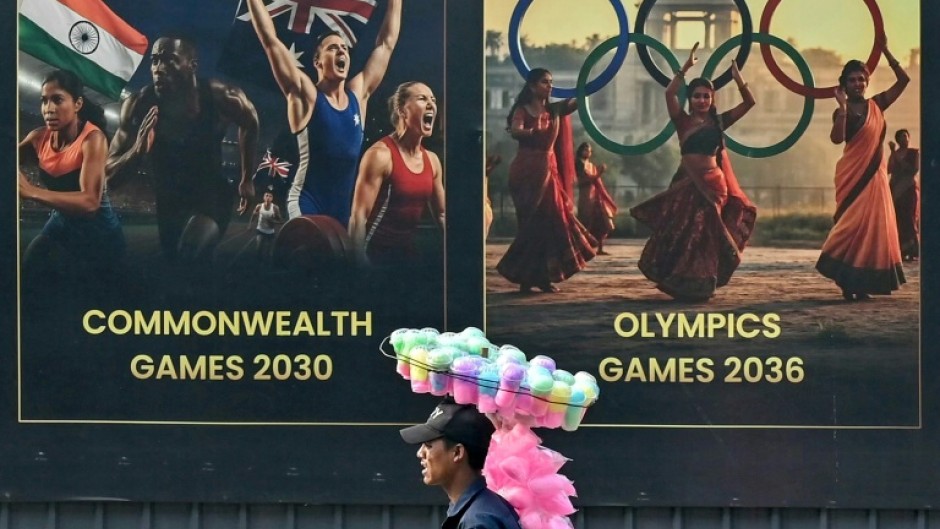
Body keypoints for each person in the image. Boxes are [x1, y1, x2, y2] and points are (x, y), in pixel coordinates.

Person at [246, 0, 402, 226]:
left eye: (344, 49)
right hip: (307, 203)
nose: (341, 51)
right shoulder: (306, 94)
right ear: (317, 62)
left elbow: (386, 44)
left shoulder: (358, 96)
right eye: (332, 48)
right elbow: (270, 41)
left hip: (343, 209)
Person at [106, 35, 259, 264]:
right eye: (155, 60)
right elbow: (109, 178)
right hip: (169, 201)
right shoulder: (138, 105)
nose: (159, 69)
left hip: (210, 194)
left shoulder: (222, 97)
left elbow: (251, 122)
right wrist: (136, 152)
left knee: (189, 251)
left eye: (169, 60)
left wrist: (246, 178)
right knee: (176, 265)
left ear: (193, 65)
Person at [630, 43, 756, 301]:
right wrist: (684, 69)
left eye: (706, 96)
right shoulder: (682, 120)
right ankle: (681, 280)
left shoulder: (719, 122)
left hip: (713, 185)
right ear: (690, 99)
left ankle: (704, 283)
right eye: (697, 96)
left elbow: (750, 102)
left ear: (712, 99)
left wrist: (738, 78)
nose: (701, 100)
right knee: (685, 232)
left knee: (705, 232)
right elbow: (669, 94)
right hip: (686, 181)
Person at [816, 42, 910, 300]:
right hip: (853, 175)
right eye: (852, 80)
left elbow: (904, 80)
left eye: (861, 79)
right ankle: (846, 280)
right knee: (851, 226)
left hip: (876, 177)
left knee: (874, 228)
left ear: (867, 81)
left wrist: (888, 53)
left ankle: (861, 282)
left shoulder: (877, 105)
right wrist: (844, 108)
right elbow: (837, 139)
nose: (858, 83)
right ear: (844, 85)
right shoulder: (841, 111)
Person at [19, 69, 125, 283]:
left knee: (87, 293)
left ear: (77, 104)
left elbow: (90, 203)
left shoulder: (92, 139)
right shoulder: (38, 138)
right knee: (30, 266)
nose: (48, 109)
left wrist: (31, 192)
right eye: (44, 101)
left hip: (101, 234)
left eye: (57, 100)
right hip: (62, 222)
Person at [496, 68, 596, 293]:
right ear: (532, 86)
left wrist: (590, 80)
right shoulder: (522, 109)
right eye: (544, 82)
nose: (549, 86)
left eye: (551, 82)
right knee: (529, 225)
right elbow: (515, 130)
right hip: (526, 171)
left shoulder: (555, 109)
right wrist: (533, 131)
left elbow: (580, 99)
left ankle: (542, 277)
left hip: (548, 171)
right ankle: (524, 279)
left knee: (552, 222)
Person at [349, 82, 444, 266]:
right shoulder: (379, 155)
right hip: (375, 254)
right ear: (402, 111)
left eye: (433, 99)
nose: (432, 104)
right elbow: (358, 217)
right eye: (422, 99)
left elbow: (442, 214)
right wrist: (359, 265)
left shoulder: (432, 161)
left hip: (407, 254)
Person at [400, 399, 523, 529]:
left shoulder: (477, 522)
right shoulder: (481, 509)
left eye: (429, 446)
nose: (420, 453)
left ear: (457, 452)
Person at [575, 142, 617, 255]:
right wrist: (600, 173)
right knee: (585, 221)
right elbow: (588, 179)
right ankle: (582, 248)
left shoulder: (590, 164)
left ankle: (599, 248)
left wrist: (598, 173)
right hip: (586, 195)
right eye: (586, 150)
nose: (588, 153)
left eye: (590, 151)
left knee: (600, 221)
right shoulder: (580, 164)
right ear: (581, 151)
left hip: (595, 195)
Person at [888, 129, 920, 262]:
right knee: (898, 218)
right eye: (902, 137)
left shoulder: (914, 153)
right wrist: (893, 154)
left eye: (906, 136)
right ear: (897, 140)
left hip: (908, 189)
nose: (904, 139)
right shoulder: (894, 154)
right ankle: (900, 250)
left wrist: (894, 154)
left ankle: (913, 249)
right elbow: (889, 169)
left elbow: (913, 169)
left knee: (909, 217)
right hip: (896, 189)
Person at [245, 190, 284, 262]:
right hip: (260, 230)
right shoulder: (259, 206)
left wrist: (273, 221)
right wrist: (249, 225)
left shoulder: (275, 208)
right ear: (264, 197)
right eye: (266, 195)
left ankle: (267, 266)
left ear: (272, 198)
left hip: (270, 232)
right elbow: (253, 216)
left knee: (269, 252)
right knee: (259, 248)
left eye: (270, 196)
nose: (268, 197)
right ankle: (258, 265)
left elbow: (281, 221)